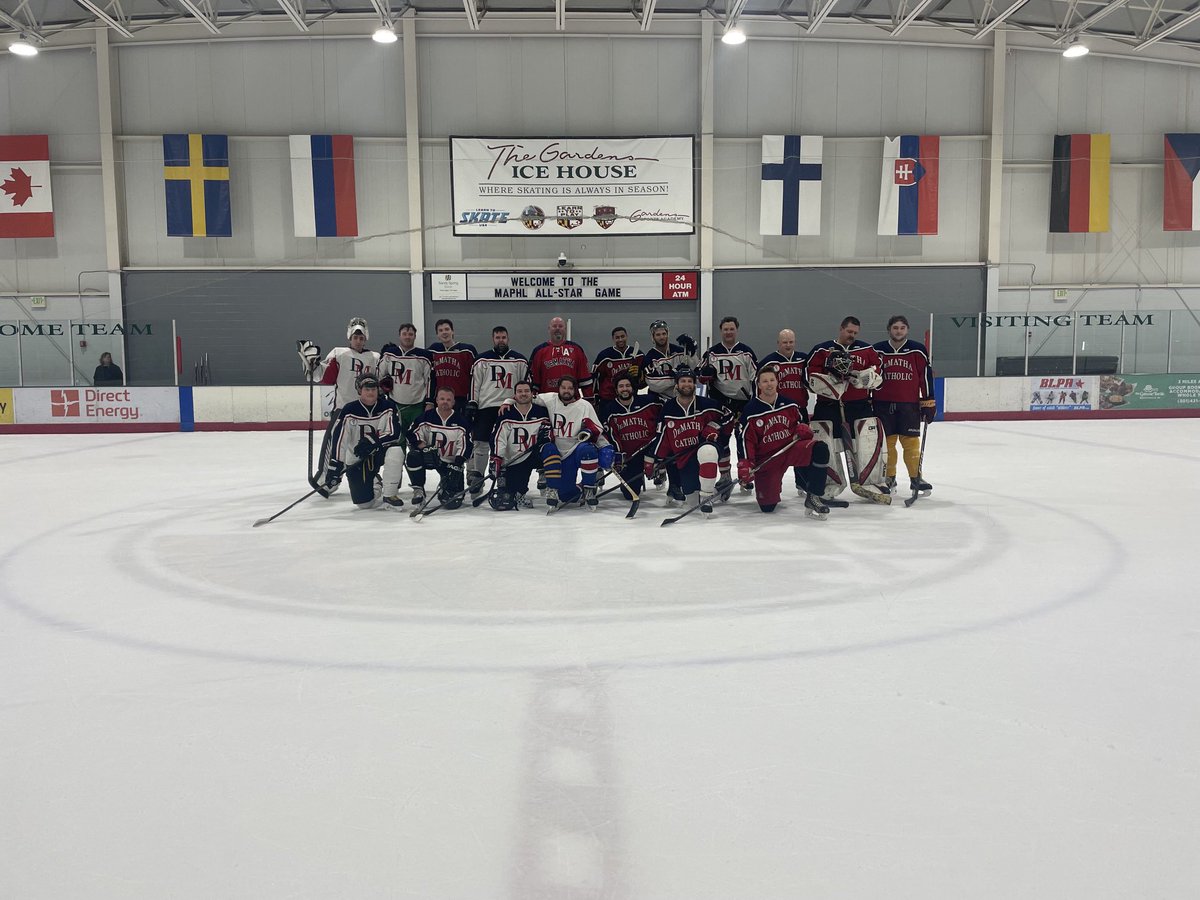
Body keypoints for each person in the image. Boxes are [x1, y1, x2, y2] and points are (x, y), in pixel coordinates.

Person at [807, 316, 888, 502]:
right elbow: (808, 377)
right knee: (824, 441)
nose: (852, 335)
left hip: (859, 405)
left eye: (855, 333)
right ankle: (830, 482)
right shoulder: (822, 350)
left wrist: (864, 379)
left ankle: (870, 481)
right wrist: (829, 381)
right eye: (849, 331)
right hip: (828, 405)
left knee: (868, 439)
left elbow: (880, 376)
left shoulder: (867, 350)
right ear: (841, 329)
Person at [739, 366, 830, 517]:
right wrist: (747, 464)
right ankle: (772, 490)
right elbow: (745, 440)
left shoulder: (790, 404)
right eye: (765, 381)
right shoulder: (751, 410)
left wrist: (803, 429)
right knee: (767, 507)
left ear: (777, 382)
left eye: (772, 380)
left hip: (790, 449)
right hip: (768, 459)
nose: (769, 384)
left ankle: (814, 496)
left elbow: (802, 425)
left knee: (820, 449)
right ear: (759, 385)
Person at [646, 366, 732, 516]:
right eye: (683, 381)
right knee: (693, 502)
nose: (687, 384)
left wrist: (714, 426)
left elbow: (729, 416)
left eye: (690, 381)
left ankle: (707, 497)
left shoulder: (708, 404)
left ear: (695, 384)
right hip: (685, 457)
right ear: (677, 385)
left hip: (705, 448)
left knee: (707, 451)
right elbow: (661, 437)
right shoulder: (668, 408)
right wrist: (653, 459)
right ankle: (722, 488)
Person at [319, 373, 404, 510]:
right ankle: (376, 484)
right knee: (364, 504)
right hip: (358, 457)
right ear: (359, 391)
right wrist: (336, 466)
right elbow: (340, 439)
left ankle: (390, 495)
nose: (371, 392)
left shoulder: (388, 406)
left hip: (379, 452)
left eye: (374, 389)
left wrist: (372, 442)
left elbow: (394, 434)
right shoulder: (349, 409)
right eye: (367, 389)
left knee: (396, 450)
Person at [872, 315, 935, 495]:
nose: (898, 331)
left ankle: (916, 477)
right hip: (883, 404)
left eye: (902, 328)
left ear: (907, 330)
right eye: (895, 328)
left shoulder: (917, 349)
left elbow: (925, 377)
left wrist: (929, 402)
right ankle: (889, 477)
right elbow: (871, 376)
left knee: (911, 443)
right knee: (888, 443)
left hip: (909, 405)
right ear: (889, 329)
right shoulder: (878, 350)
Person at [376, 323, 437, 507]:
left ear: (415, 336)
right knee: (395, 445)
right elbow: (380, 375)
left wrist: (428, 401)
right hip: (395, 405)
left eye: (411, 334)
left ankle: (418, 485)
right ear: (399, 335)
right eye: (404, 333)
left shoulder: (424, 355)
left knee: (416, 447)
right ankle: (394, 482)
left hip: (417, 406)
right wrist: (383, 386)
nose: (408, 336)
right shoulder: (390, 354)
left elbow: (430, 380)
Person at [468, 326, 530, 496]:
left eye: (503, 337)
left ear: (508, 338)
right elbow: (475, 383)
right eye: (497, 337)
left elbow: (525, 385)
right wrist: (473, 402)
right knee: (481, 443)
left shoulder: (519, 360)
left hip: (510, 408)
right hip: (486, 407)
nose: (500, 340)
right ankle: (477, 476)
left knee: (507, 444)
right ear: (492, 339)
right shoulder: (481, 360)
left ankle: (504, 475)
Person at [533, 374, 603, 510]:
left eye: (570, 388)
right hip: (557, 454)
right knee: (567, 496)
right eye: (563, 387)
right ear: (558, 388)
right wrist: (508, 401)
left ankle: (589, 488)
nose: (566, 391)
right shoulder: (549, 399)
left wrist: (588, 432)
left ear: (575, 389)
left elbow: (597, 428)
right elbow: (527, 397)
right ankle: (560, 489)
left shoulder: (584, 405)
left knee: (588, 450)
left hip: (575, 450)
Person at [758, 328, 811, 496]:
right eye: (784, 342)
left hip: (799, 411)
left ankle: (802, 482)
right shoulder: (768, 363)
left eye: (791, 342)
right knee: (775, 447)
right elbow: (758, 388)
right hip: (777, 414)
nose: (788, 345)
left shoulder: (803, 359)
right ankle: (773, 484)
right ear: (778, 343)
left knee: (802, 447)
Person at [700, 316, 758, 465]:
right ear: (721, 331)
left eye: (731, 329)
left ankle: (744, 470)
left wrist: (754, 402)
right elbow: (698, 375)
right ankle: (725, 474)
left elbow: (756, 378)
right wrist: (705, 374)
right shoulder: (711, 353)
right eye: (726, 329)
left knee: (743, 437)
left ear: (736, 330)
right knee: (721, 438)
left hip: (742, 404)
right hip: (720, 403)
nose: (728, 332)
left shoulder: (746, 352)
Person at [404, 386, 472, 509]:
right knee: (413, 456)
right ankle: (418, 489)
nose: (445, 402)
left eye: (448, 399)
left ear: (453, 402)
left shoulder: (462, 422)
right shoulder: (425, 417)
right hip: (429, 458)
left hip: (450, 463)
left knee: (452, 503)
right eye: (442, 399)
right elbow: (411, 434)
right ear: (437, 400)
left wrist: (458, 464)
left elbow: (467, 445)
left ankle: (445, 486)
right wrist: (423, 446)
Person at [297, 316, 380, 414]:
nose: (358, 341)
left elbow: (380, 385)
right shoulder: (340, 354)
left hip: (368, 410)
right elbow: (325, 377)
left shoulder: (375, 358)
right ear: (350, 338)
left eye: (361, 338)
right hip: (342, 409)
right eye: (355, 337)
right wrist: (313, 364)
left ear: (365, 340)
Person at [489, 380, 551, 510]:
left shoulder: (541, 412)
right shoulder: (506, 413)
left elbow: (548, 432)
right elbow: (498, 438)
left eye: (526, 391)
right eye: (520, 391)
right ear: (514, 395)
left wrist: (545, 435)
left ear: (532, 393)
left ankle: (551, 485)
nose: (523, 394)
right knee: (508, 492)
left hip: (533, 454)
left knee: (551, 452)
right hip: (513, 458)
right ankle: (517, 490)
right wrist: (497, 457)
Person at [601, 373, 663, 499]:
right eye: (621, 386)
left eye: (628, 385)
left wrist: (654, 452)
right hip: (630, 457)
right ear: (616, 389)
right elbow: (610, 434)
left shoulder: (649, 402)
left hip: (650, 450)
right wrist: (617, 454)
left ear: (633, 388)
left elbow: (665, 416)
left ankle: (663, 473)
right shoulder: (609, 409)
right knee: (630, 494)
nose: (625, 389)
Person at [529, 316, 593, 399]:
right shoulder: (538, 351)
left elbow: (585, 378)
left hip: (571, 400)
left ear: (565, 329)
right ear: (549, 329)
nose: (557, 328)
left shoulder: (576, 349)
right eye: (554, 326)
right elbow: (534, 381)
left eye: (560, 326)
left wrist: (589, 399)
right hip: (547, 400)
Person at [429, 318, 477, 413]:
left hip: (461, 399)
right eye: (441, 330)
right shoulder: (432, 351)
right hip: (440, 400)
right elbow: (430, 378)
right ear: (437, 335)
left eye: (447, 329)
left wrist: (472, 400)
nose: (444, 333)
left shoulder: (467, 351)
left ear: (452, 331)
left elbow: (475, 377)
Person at [643, 320, 696, 402]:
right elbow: (654, 385)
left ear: (668, 334)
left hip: (682, 398)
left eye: (664, 334)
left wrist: (692, 351)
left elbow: (694, 367)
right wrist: (677, 375)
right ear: (653, 337)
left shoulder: (680, 351)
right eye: (658, 335)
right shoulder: (649, 358)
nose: (661, 337)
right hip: (659, 400)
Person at [592, 326, 644, 402]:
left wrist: (639, 375)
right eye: (617, 337)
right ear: (613, 339)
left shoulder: (638, 355)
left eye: (622, 336)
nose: (620, 339)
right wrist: (595, 395)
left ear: (627, 336)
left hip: (630, 398)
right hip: (608, 398)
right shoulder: (604, 356)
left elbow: (645, 376)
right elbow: (595, 376)